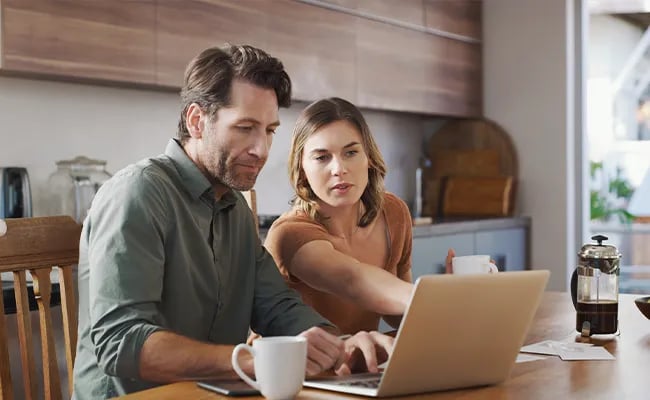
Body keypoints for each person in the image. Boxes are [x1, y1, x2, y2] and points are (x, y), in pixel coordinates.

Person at [72, 45, 393, 399]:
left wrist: (342, 345)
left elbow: (275, 305)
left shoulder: (234, 208)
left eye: (269, 130)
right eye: (245, 128)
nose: (261, 149)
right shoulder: (139, 193)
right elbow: (121, 342)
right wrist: (251, 359)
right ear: (196, 120)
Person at [264, 97, 454, 335]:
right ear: (301, 168)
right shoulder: (289, 233)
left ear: (369, 158)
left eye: (351, 152)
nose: (339, 169)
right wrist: (440, 301)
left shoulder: (393, 213)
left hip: (361, 366)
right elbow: (352, 281)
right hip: (299, 369)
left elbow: (395, 313)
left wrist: (451, 291)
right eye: (322, 157)